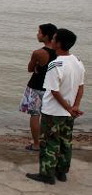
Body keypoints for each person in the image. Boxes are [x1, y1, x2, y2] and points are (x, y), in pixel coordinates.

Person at [27, 29, 85, 185]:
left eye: (53, 38)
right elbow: (81, 87)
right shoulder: (78, 61)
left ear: (58, 43)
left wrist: (68, 108)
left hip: (53, 112)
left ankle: (46, 174)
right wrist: (75, 106)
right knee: (65, 142)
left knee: (49, 143)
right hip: (69, 113)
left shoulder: (55, 64)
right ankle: (61, 172)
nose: (51, 40)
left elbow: (54, 91)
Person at [20, 23, 58, 151]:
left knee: (35, 115)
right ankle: (48, 142)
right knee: (49, 117)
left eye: (39, 32)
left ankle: (36, 144)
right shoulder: (60, 53)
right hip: (52, 88)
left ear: (46, 36)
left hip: (36, 87)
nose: (37, 34)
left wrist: (36, 65)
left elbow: (30, 69)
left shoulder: (38, 53)